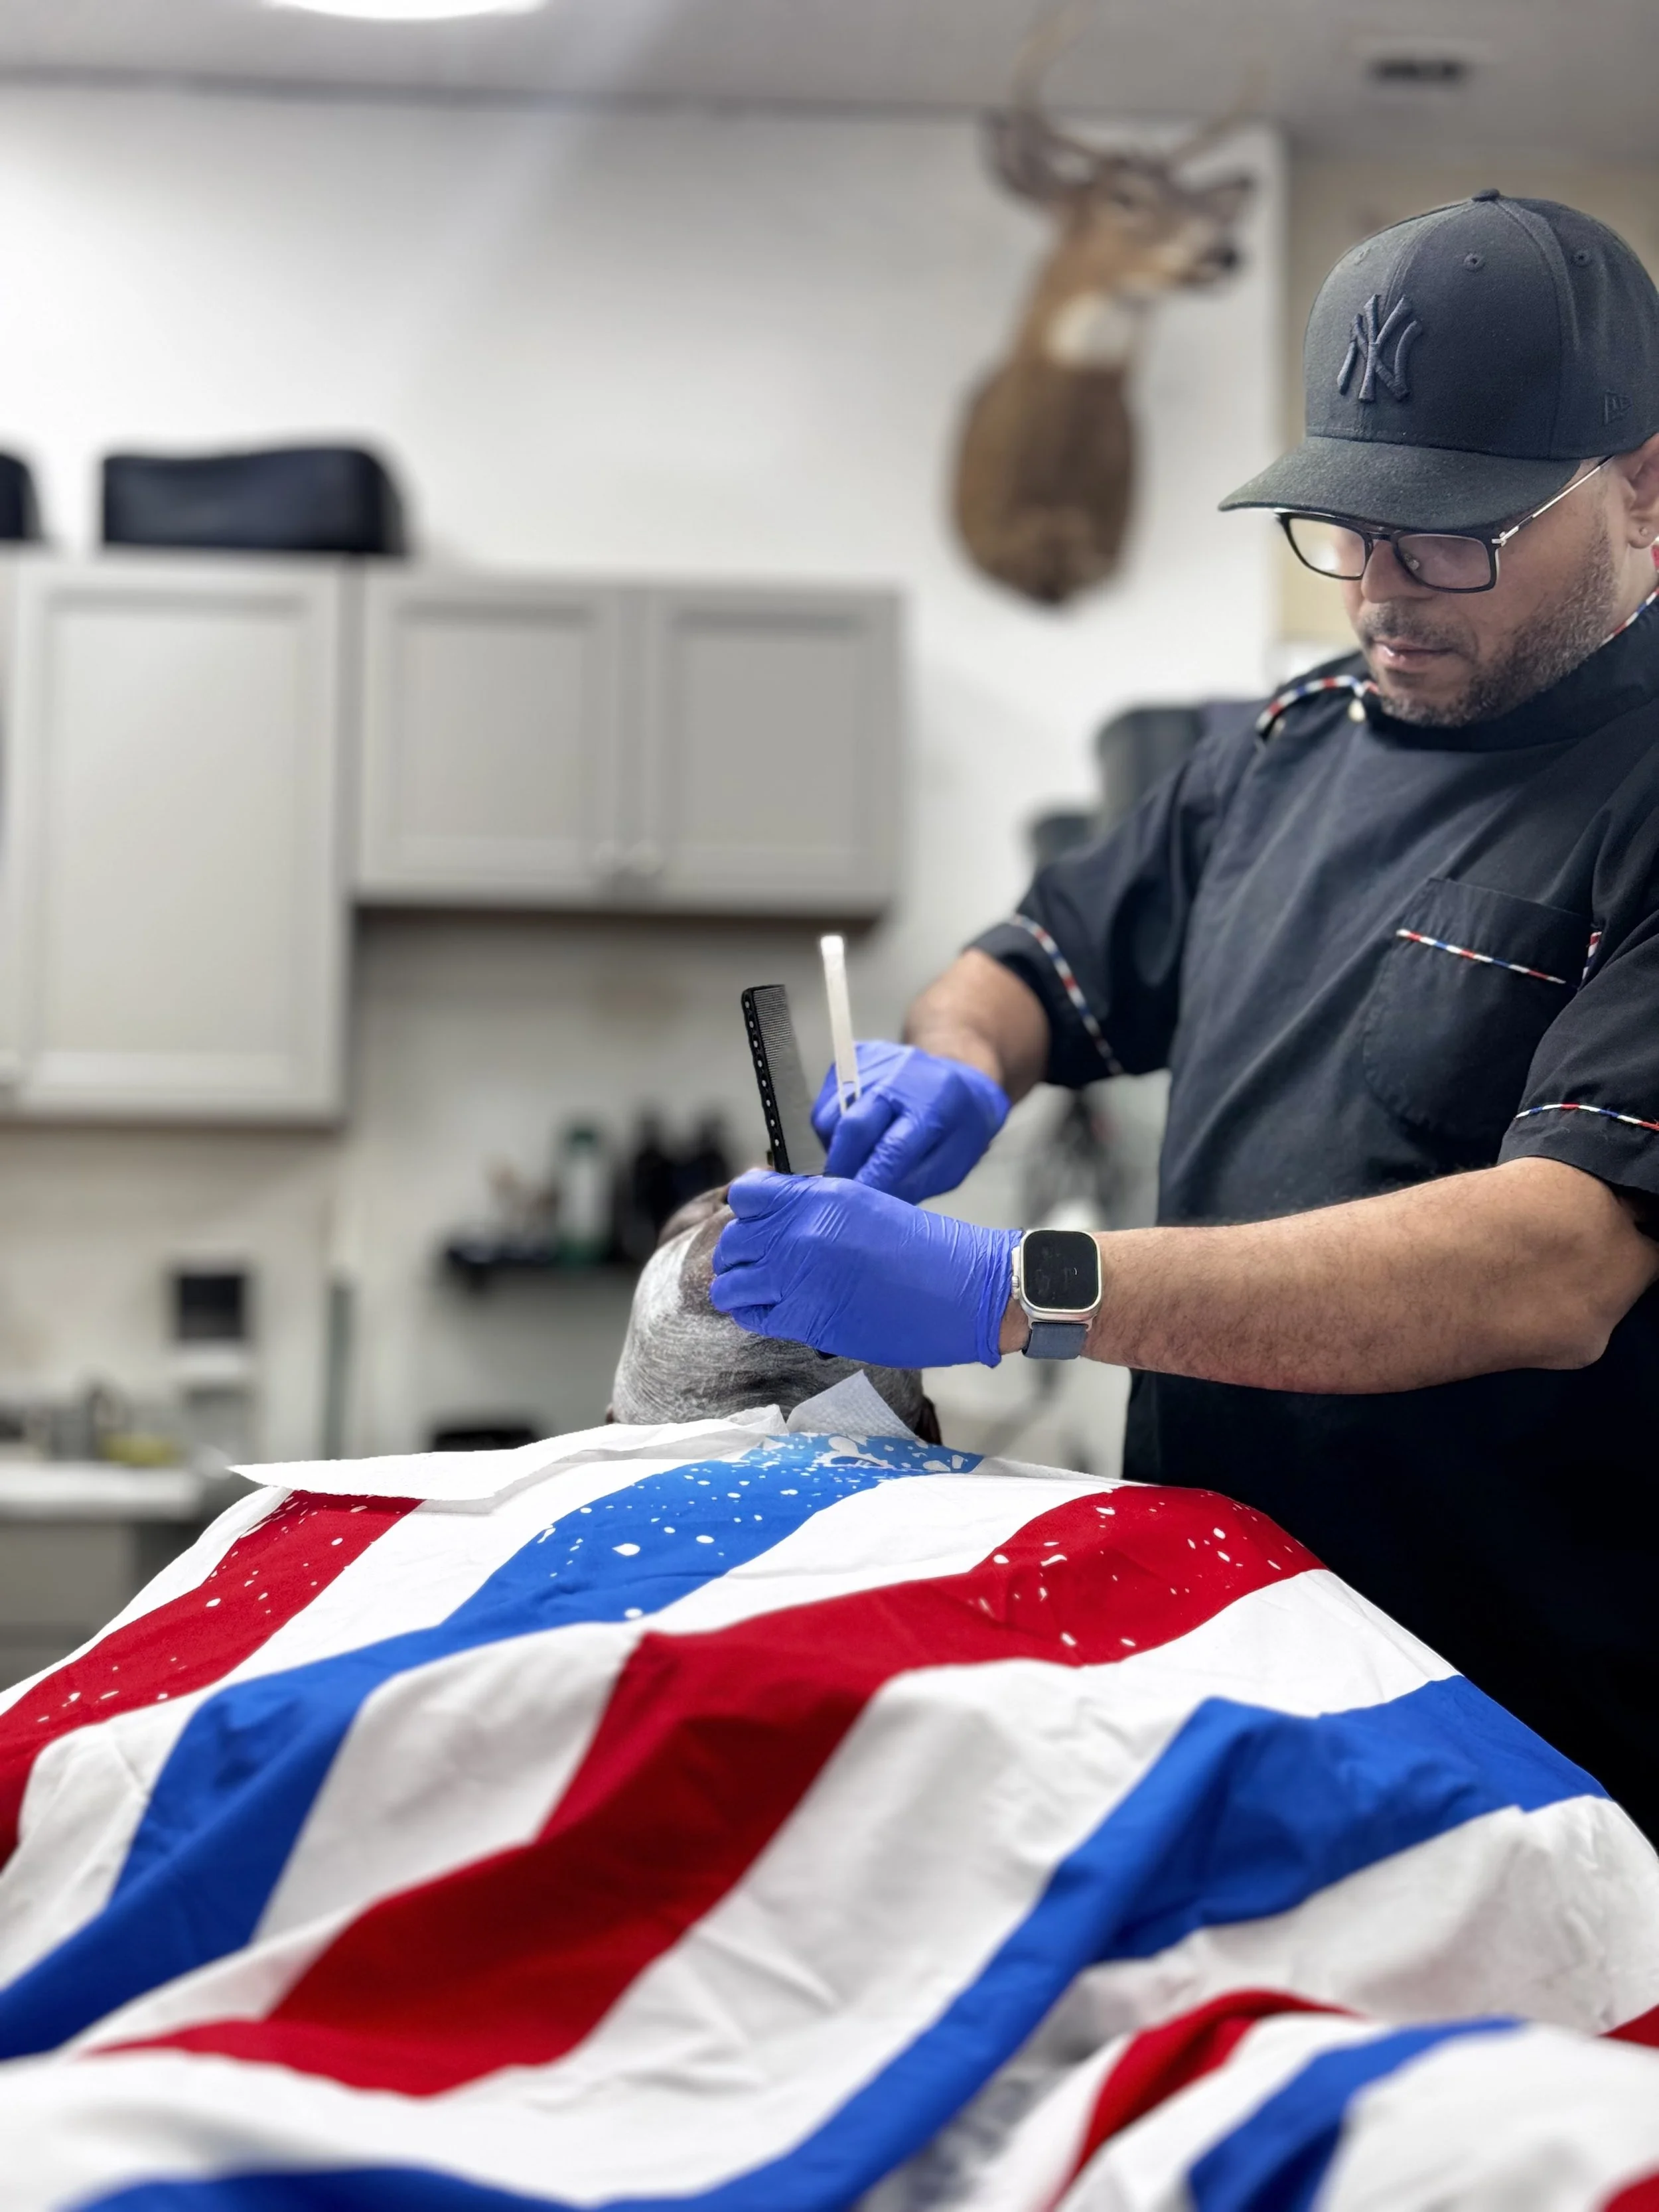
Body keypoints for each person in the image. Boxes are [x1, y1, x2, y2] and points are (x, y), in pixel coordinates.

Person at [709, 192, 1659, 1839]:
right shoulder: (1274, 751)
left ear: (1642, 484)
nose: (1378, 588)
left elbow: (1551, 1263)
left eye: (1448, 536)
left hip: (1539, 1732)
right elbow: (1026, 962)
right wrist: (952, 1062)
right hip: (1227, 1667)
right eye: (1343, 525)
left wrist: (1015, 1290)